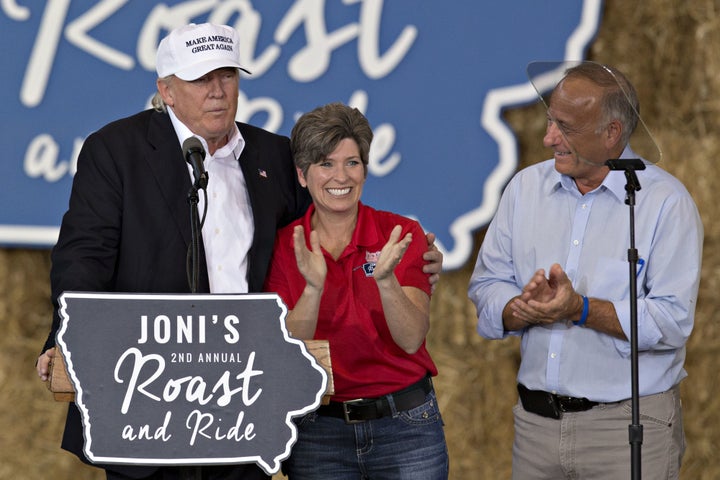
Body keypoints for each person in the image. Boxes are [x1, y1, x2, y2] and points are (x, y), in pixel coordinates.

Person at [35, 23, 443, 480]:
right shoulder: (114, 150)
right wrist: (69, 337)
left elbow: (331, 227)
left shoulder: (272, 155)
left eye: (227, 75)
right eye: (200, 79)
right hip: (151, 400)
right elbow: (83, 257)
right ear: (166, 90)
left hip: (244, 401)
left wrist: (414, 253)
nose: (217, 92)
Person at [467, 62, 702, 479]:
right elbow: (487, 284)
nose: (548, 138)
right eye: (549, 121)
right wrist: (520, 308)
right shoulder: (524, 189)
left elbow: (671, 320)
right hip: (535, 427)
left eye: (566, 128)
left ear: (611, 133)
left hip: (627, 429)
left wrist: (580, 309)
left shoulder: (664, 203)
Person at [263, 102, 449, 480]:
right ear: (302, 175)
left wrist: (386, 282)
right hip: (319, 433)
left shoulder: (400, 234)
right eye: (326, 164)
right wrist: (313, 289)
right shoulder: (285, 245)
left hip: (406, 425)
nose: (341, 176)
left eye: (352, 162)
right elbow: (286, 352)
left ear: (365, 168)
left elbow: (412, 338)